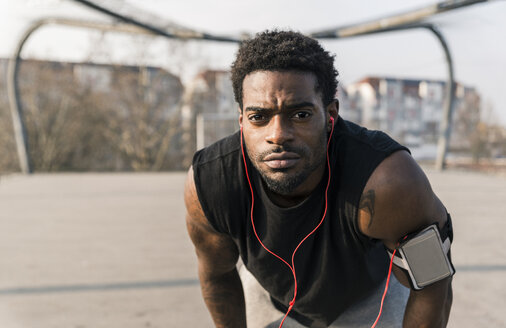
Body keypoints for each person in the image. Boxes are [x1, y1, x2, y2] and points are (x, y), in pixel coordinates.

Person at [184, 30, 454, 328]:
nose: (277, 135)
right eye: (259, 117)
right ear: (241, 121)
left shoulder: (388, 181)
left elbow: (432, 285)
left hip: (373, 295)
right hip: (270, 295)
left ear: (330, 115)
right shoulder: (211, 183)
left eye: (300, 114)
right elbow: (217, 275)